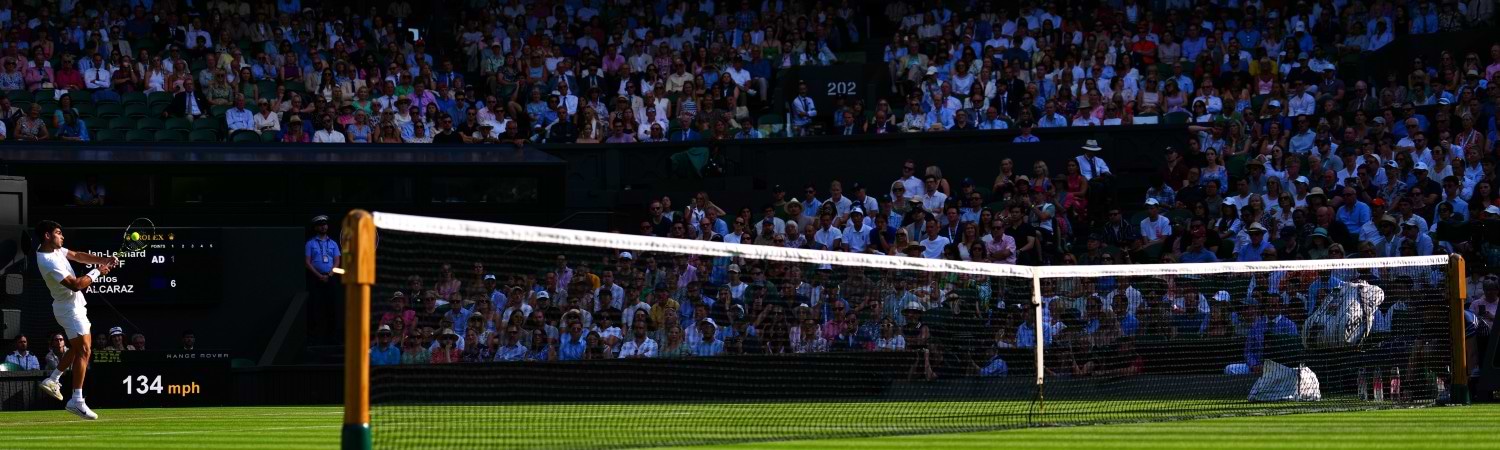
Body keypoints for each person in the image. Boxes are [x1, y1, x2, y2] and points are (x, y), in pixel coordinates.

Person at [35, 219, 120, 420]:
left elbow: (77, 255)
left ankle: (53, 379)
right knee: (84, 350)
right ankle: (77, 400)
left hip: (73, 306)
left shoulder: (53, 250)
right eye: (58, 233)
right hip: (69, 308)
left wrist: (103, 260)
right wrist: (99, 271)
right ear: (47, 235)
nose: (62, 236)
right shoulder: (48, 262)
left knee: (75, 348)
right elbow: (75, 284)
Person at [305, 215, 342, 344]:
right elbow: (307, 262)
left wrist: (329, 274)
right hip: (316, 278)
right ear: (316, 227)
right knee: (316, 306)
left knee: (332, 306)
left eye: (325, 224)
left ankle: (333, 337)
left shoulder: (333, 243)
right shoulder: (310, 243)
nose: (323, 226)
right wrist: (319, 275)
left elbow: (337, 261)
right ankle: (316, 337)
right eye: (320, 224)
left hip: (330, 277)